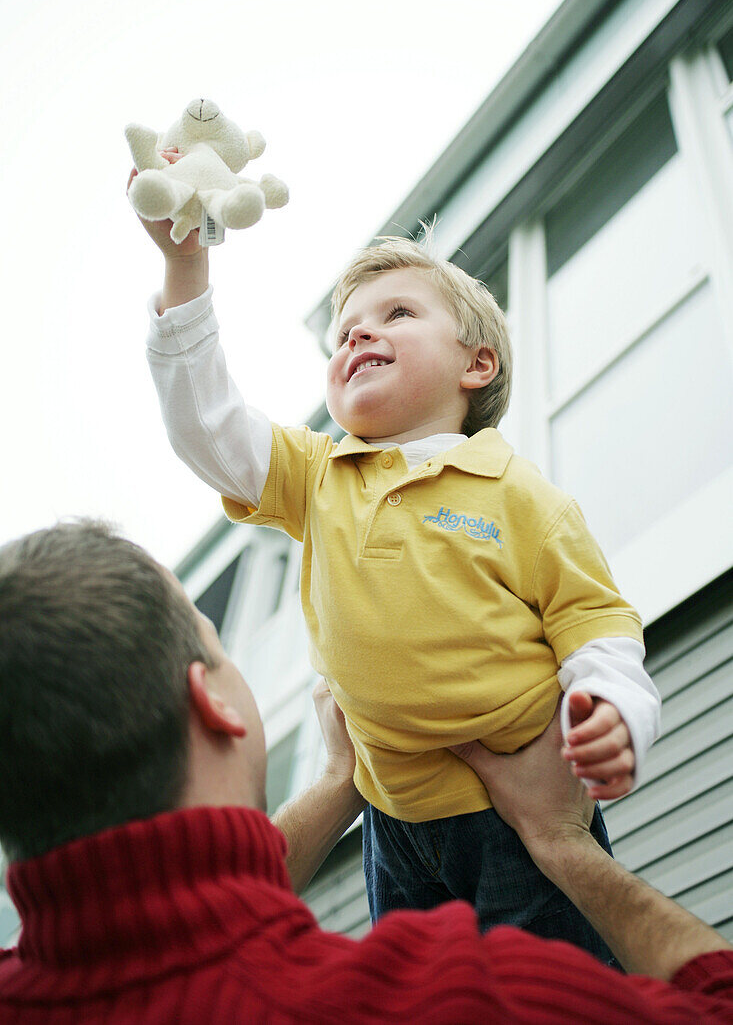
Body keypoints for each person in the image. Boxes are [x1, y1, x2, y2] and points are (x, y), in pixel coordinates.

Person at [135, 164, 661, 957]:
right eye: (345, 329)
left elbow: (597, 626)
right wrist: (185, 270)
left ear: (474, 365)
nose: (357, 333)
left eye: (397, 313)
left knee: (564, 998)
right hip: (394, 826)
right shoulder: (319, 475)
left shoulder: (518, 495)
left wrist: (615, 715)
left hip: (517, 809)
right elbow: (205, 425)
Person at [0, 519, 731, 1024]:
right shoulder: (446, 1000)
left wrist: (336, 783)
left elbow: (162, 930)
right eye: (219, 648)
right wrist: (565, 845)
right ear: (211, 700)